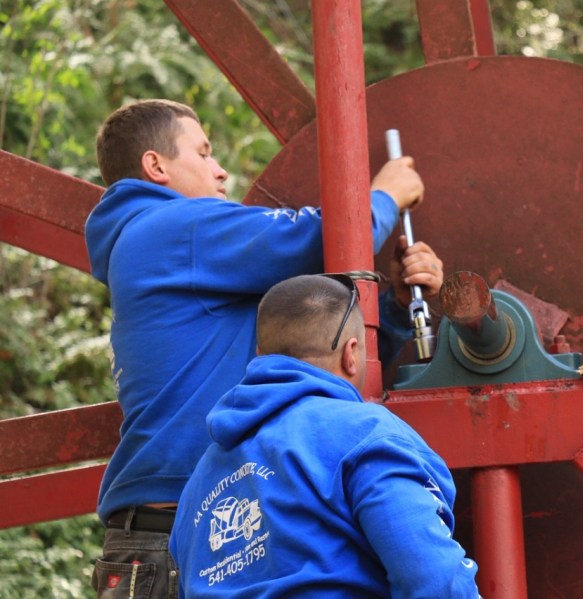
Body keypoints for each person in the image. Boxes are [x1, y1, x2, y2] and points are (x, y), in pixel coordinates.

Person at [86, 99, 444, 598]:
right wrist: (384, 196)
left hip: (176, 530)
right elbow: (315, 240)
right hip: (173, 537)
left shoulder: (180, 256)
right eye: (204, 153)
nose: (221, 170)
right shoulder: (171, 228)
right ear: (156, 166)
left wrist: (397, 307)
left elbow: (307, 347)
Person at [169, 274, 479, 598]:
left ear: (261, 355)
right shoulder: (365, 436)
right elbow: (437, 581)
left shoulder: (199, 482)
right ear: (351, 353)